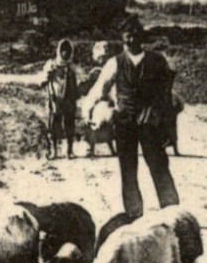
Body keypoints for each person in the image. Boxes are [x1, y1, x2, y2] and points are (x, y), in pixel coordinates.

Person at [85, 16, 181, 217]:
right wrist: (88, 109)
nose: (131, 40)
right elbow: (100, 88)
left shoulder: (157, 61)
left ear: (141, 38)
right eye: (127, 37)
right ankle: (134, 212)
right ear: (122, 39)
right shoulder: (115, 63)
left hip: (149, 123)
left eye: (135, 36)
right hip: (125, 123)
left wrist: (158, 116)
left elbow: (165, 93)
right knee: (128, 169)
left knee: (158, 165)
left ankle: (171, 209)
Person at [39, 38, 80, 159]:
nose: (65, 53)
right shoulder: (51, 65)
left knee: (69, 125)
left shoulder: (72, 66)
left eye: (67, 51)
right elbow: (41, 81)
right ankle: (54, 151)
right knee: (54, 125)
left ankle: (70, 150)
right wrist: (48, 75)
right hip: (55, 99)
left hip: (69, 99)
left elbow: (80, 81)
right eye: (63, 50)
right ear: (59, 51)